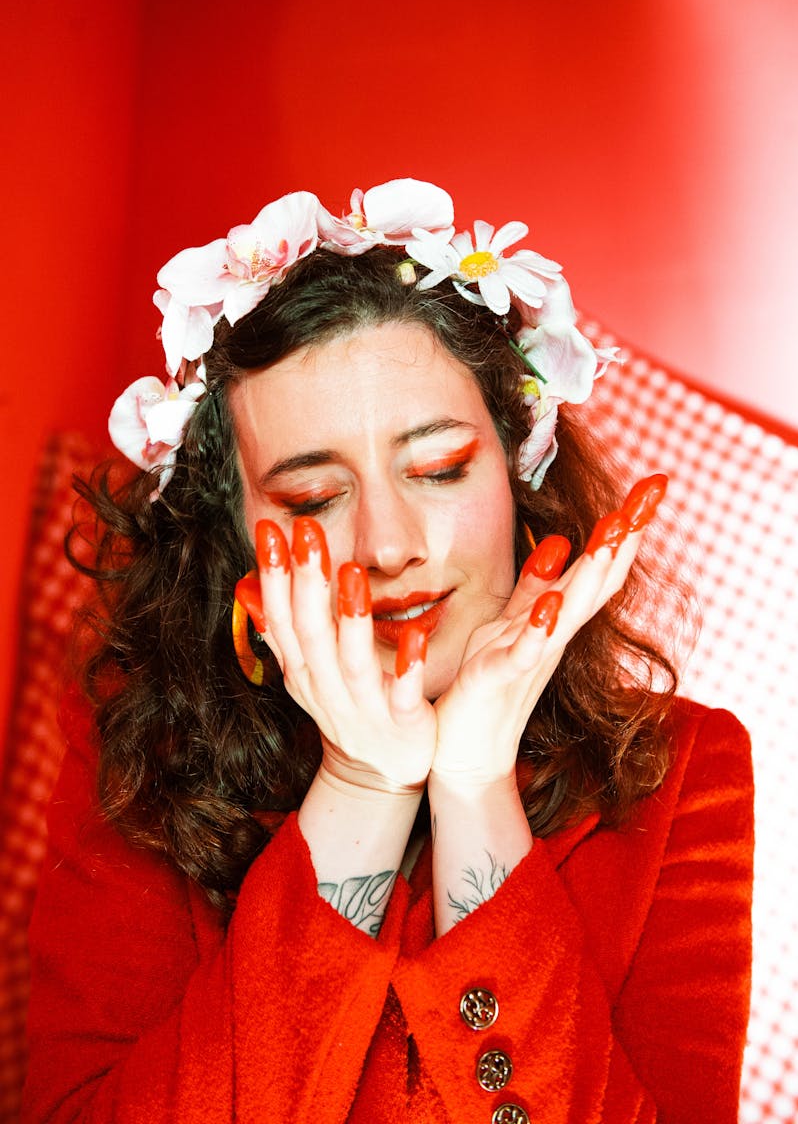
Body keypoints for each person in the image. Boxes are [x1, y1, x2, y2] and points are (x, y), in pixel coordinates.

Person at [22, 179, 753, 1124]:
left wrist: (474, 787)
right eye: (313, 498)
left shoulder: (685, 774)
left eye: (439, 469)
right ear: (234, 536)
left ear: (517, 470)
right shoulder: (132, 750)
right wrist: (362, 786)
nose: (388, 544)